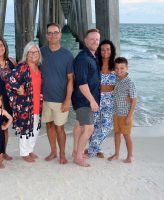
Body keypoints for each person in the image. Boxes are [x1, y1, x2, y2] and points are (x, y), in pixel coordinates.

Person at [40, 22, 74, 164]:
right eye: (50, 33)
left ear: (60, 35)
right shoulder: (41, 52)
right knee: (48, 125)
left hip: (60, 99)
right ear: (47, 35)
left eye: (55, 32)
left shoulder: (67, 55)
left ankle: (62, 154)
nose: (53, 35)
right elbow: (29, 67)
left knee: (60, 128)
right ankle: (53, 151)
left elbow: (71, 79)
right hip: (45, 99)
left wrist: (68, 99)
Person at [5, 42, 43, 163]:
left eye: (35, 52)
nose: (33, 54)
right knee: (25, 129)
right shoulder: (22, 67)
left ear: (39, 54)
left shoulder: (39, 68)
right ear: (26, 54)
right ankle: (24, 153)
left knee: (35, 129)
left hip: (37, 103)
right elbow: (8, 78)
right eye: (30, 52)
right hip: (25, 105)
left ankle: (30, 149)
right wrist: (18, 88)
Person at [71, 29, 101, 167]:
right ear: (85, 40)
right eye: (92, 39)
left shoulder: (92, 56)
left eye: (97, 39)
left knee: (78, 125)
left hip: (83, 99)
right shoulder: (83, 58)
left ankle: (75, 151)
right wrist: (92, 101)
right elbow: (82, 84)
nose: (95, 42)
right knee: (89, 129)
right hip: (84, 100)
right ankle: (78, 157)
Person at [87, 40, 117, 158]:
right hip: (96, 98)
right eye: (103, 49)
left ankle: (91, 149)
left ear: (111, 51)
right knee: (92, 125)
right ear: (99, 51)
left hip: (109, 99)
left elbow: (120, 83)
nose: (105, 52)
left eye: (108, 49)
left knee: (107, 126)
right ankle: (96, 148)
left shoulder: (115, 66)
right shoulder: (95, 64)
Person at [108, 57, 137, 163]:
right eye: (117, 68)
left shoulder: (129, 82)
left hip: (125, 114)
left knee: (126, 135)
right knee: (116, 133)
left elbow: (134, 100)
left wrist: (129, 116)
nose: (119, 71)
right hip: (116, 113)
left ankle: (130, 156)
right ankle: (116, 154)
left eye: (122, 68)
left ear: (127, 68)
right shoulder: (116, 78)